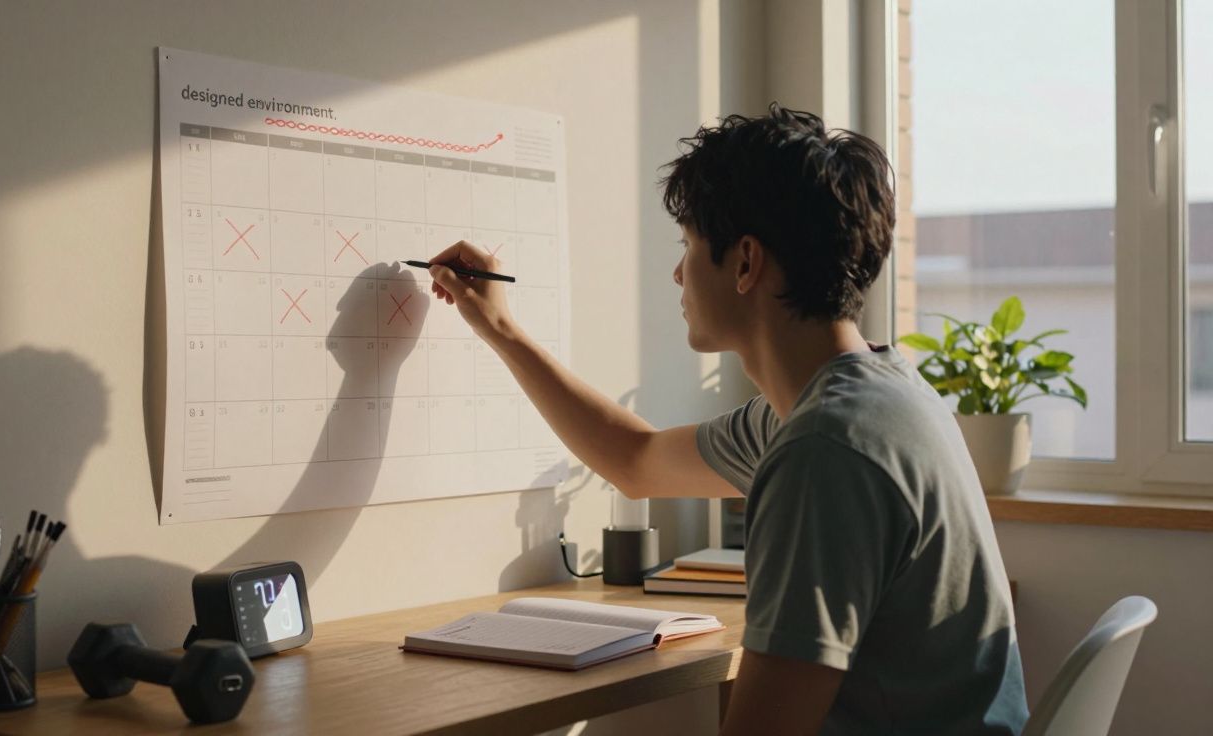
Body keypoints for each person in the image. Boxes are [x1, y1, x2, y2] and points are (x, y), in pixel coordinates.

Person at [425, 103, 1028, 735]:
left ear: (744, 263)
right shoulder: (871, 395)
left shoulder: (824, 450)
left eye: (688, 245)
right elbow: (635, 461)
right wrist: (499, 328)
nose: (678, 272)